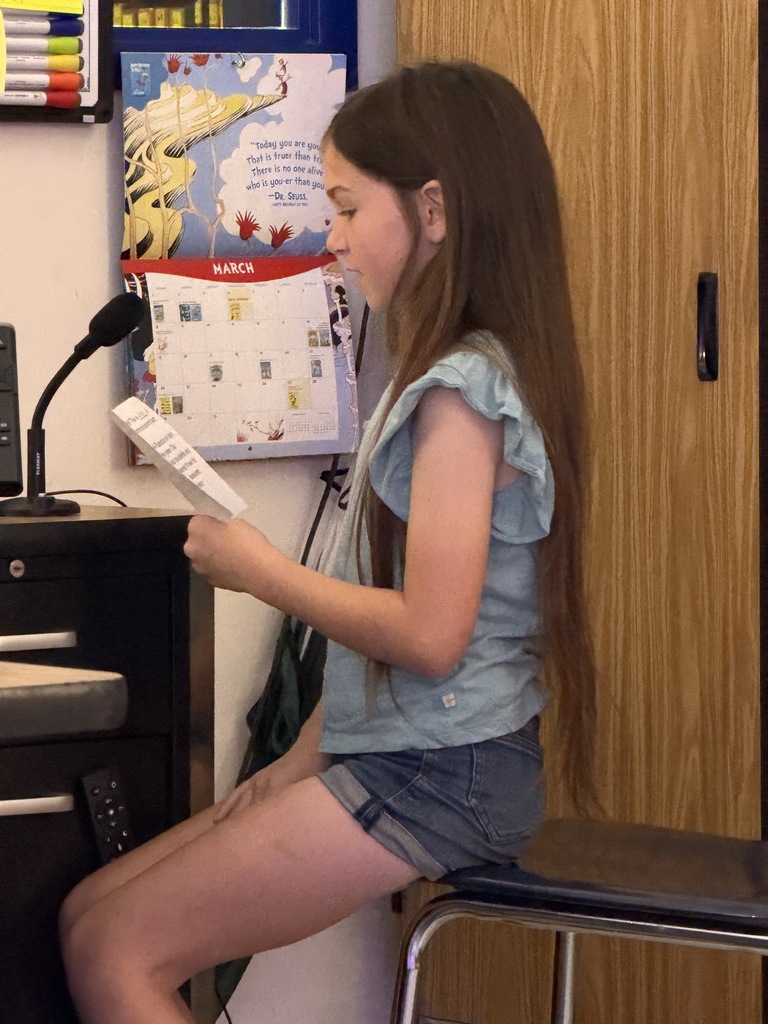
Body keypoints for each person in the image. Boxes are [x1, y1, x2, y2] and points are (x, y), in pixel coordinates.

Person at [59, 60, 597, 1023]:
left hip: (444, 771)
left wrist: (260, 574)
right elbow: (388, 625)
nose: (334, 240)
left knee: (113, 949)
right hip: (410, 752)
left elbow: (430, 636)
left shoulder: (462, 397)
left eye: (348, 210)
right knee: (88, 913)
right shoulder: (437, 376)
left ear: (433, 211)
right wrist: (302, 759)